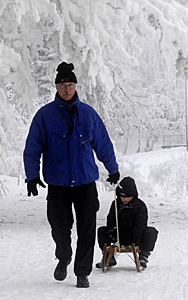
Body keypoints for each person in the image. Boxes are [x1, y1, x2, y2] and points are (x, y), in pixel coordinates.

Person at [24, 62, 120, 289]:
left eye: (70, 85)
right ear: (56, 88)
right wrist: (32, 176)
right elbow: (32, 147)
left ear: (75, 86)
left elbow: (103, 143)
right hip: (58, 184)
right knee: (59, 226)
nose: (66, 89)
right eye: (62, 85)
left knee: (87, 228)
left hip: (85, 182)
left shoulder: (88, 114)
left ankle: (82, 272)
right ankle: (64, 256)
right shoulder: (45, 116)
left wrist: (113, 168)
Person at [96, 176, 158, 269]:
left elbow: (141, 223)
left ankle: (143, 256)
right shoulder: (115, 204)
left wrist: (136, 236)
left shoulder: (140, 205)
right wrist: (112, 230)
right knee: (101, 230)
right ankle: (109, 257)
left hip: (135, 236)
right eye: (122, 197)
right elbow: (111, 219)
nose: (125, 199)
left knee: (151, 232)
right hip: (118, 235)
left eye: (128, 197)